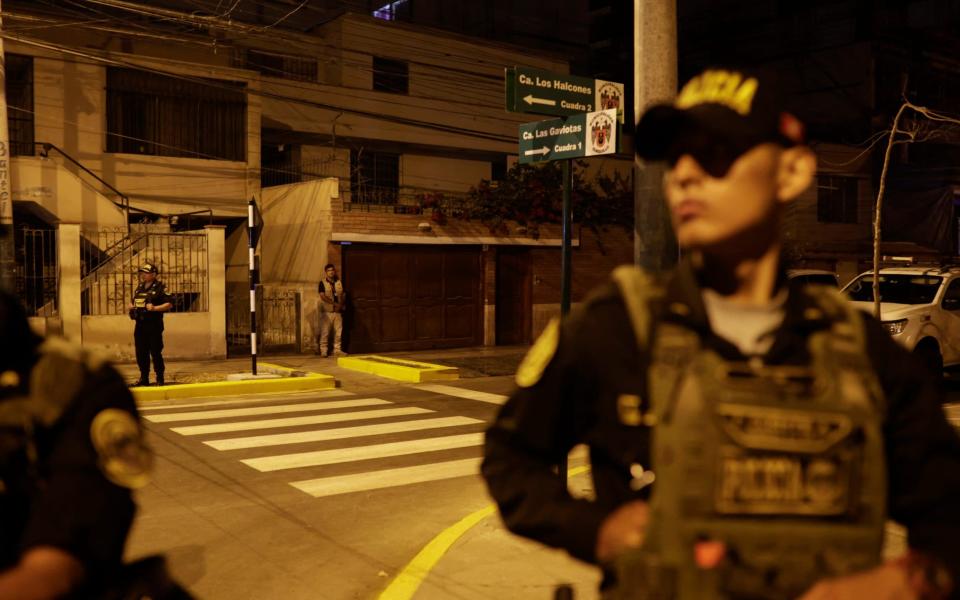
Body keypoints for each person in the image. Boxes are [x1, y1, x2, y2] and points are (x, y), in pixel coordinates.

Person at [481, 68, 960, 599]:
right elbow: (510, 457)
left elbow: (947, 509)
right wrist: (596, 531)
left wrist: (901, 582)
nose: (683, 174)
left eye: (714, 153)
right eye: (675, 157)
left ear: (792, 171)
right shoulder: (616, 327)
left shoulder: (859, 350)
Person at [0, 290, 157, 598]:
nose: (145, 278)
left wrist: (152, 307)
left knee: (153, 354)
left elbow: (57, 565)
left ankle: (155, 378)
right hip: (140, 324)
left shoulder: (66, 382)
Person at [129, 263, 172, 386]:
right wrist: (131, 306)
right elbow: (135, 301)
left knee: (155, 352)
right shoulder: (140, 287)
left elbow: (169, 304)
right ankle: (144, 378)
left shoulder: (160, 287)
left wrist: (154, 308)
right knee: (141, 353)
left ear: (154, 274)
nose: (143, 275)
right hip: (140, 325)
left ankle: (160, 378)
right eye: (142, 273)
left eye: (146, 273)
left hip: (154, 325)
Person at [318, 263, 347, 358]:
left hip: (338, 312)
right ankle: (324, 350)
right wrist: (335, 304)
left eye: (332, 270)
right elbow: (322, 296)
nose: (331, 272)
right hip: (327, 312)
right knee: (325, 332)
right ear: (326, 272)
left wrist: (341, 305)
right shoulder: (322, 283)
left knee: (338, 332)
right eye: (329, 270)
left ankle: (337, 350)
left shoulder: (338, 282)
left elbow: (343, 295)